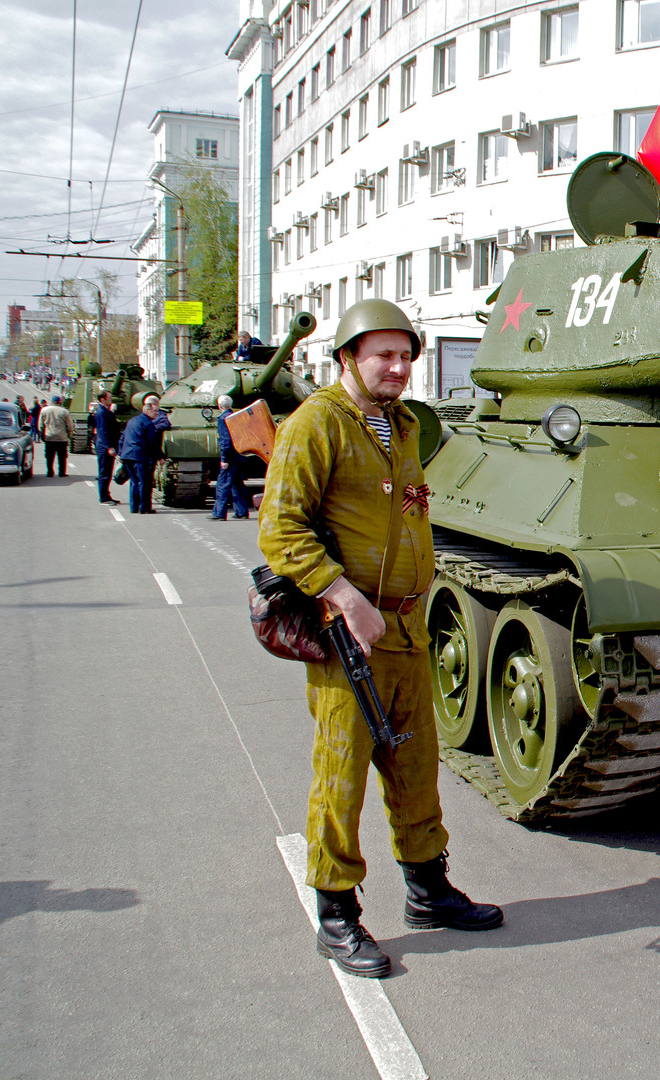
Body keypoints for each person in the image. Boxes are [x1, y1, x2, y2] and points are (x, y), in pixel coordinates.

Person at [258, 299, 501, 980]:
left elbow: (413, 509)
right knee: (341, 775)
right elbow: (280, 533)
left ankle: (428, 888)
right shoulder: (317, 426)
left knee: (416, 768)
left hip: (406, 628)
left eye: (405, 356)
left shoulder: (400, 426)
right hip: (349, 637)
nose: (396, 368)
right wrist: (343, 596)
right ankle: (335, 911)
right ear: (346, 359)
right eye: (381, 355)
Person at [118, 393, 171, 514]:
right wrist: (161, 457)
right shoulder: (148, 424)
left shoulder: (132, 421)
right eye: (155, 411)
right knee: (144, 483)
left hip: (127, 456)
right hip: (140, 457)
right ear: (147, 411)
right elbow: (152, 443)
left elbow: (123, 438)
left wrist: (121, 453)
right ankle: (144, 508)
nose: (157, 414)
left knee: (134, 482)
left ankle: (134, 507)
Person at [209, 394, 252, 521]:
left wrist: (224, 459)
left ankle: (219, 513)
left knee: (223, 484)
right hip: (239, 456)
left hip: (230, 458)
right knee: (237, 484)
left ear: (220, 406)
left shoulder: (223, 419)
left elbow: (225, 441)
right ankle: (241, 511)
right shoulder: (235, 417)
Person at [91, 391, 121, 505]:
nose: (111, 399)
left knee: (107, 472)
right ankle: (103, 498)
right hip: (104, 447)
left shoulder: (105, 411)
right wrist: (109, 447)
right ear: (103, 399)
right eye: (109, 397)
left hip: (105, 446)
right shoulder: (101, 412)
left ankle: (106, 495)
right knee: (104, 472)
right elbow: (103, 432)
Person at [37, 394, 73, 477]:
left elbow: (41, 424)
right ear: (59, 402)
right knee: (62, 456)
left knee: (49, 456)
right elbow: (69, 425)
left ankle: (49, 471)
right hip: (61, 437)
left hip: (49, 437)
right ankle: (61, 472)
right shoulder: (64, 411)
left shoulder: (44, 410)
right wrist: (69, 433)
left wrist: (41, 434)